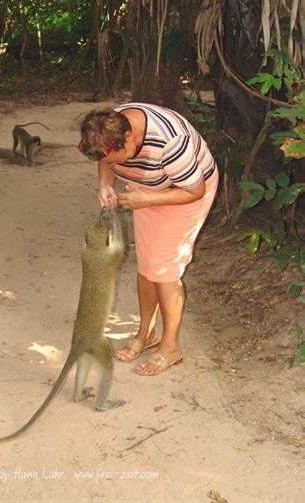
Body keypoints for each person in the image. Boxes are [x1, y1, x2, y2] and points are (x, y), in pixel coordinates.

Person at [77, 103, 218, 376]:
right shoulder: (106, 126)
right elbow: (105, 160)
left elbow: (195, 190)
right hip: (147, 190)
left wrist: (147, 199)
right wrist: (105, 184)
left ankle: (170, 347)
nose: (112, 164)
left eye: (115, 158)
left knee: (165, 272)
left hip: (184, 192)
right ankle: (146, 333)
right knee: (147, 268)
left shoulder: (172, 143)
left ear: (128, 138)